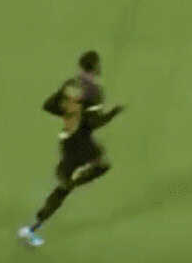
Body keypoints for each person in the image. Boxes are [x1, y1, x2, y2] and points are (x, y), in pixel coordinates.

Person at [18, 50, 124, 248]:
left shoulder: (70, 85)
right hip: (79, 142)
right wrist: (113, 113)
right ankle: (74, 179)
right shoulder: (93, 91)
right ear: (95, 67)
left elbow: (48, 105)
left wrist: (68, 113)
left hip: (67, 139)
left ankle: (32, 228)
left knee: (73, 182)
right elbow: (94, 123)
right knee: (97, 168)